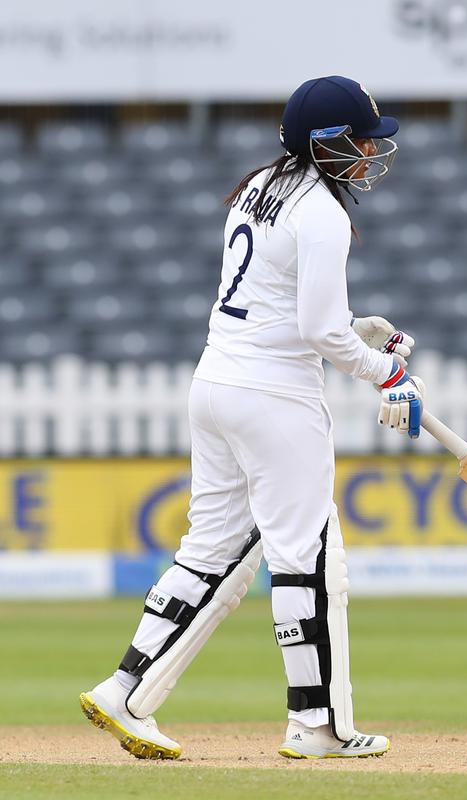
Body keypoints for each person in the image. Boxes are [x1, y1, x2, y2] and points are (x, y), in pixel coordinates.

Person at [79, 75, 425, 760]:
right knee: (309, 557)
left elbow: (283, 306)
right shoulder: (322, 211)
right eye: (358, 139)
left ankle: (125, 689)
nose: (368, 153)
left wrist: (363, 334)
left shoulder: (259, 186)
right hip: (276, 399)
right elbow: (321, 333)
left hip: (216, 384)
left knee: (210, 552)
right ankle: (317, 724)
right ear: (325, 144)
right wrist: (386, 370)